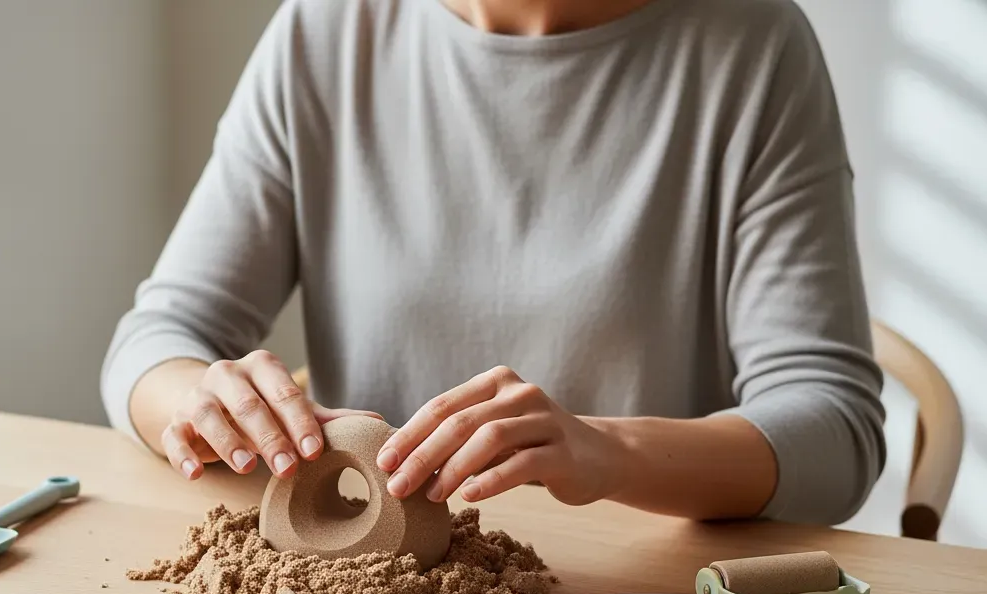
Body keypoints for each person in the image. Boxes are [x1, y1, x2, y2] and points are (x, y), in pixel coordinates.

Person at [100, 0, 886, 526]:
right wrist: (200, 399)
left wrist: (609, 453)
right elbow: (158, 338)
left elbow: (833, 430)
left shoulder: (753, 45)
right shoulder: (328, 30)